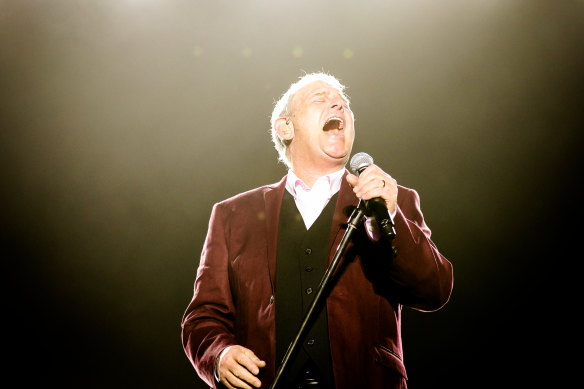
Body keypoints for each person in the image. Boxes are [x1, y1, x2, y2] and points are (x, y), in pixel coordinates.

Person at [181, 72, 453, 389]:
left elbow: (434, 290)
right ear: (285, 127)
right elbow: (203, 316)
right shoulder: (232, 215)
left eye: (344, 103)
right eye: (320, 98)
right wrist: (219, 355)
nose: (338, 102)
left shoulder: (393, 199)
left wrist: (390, 215)